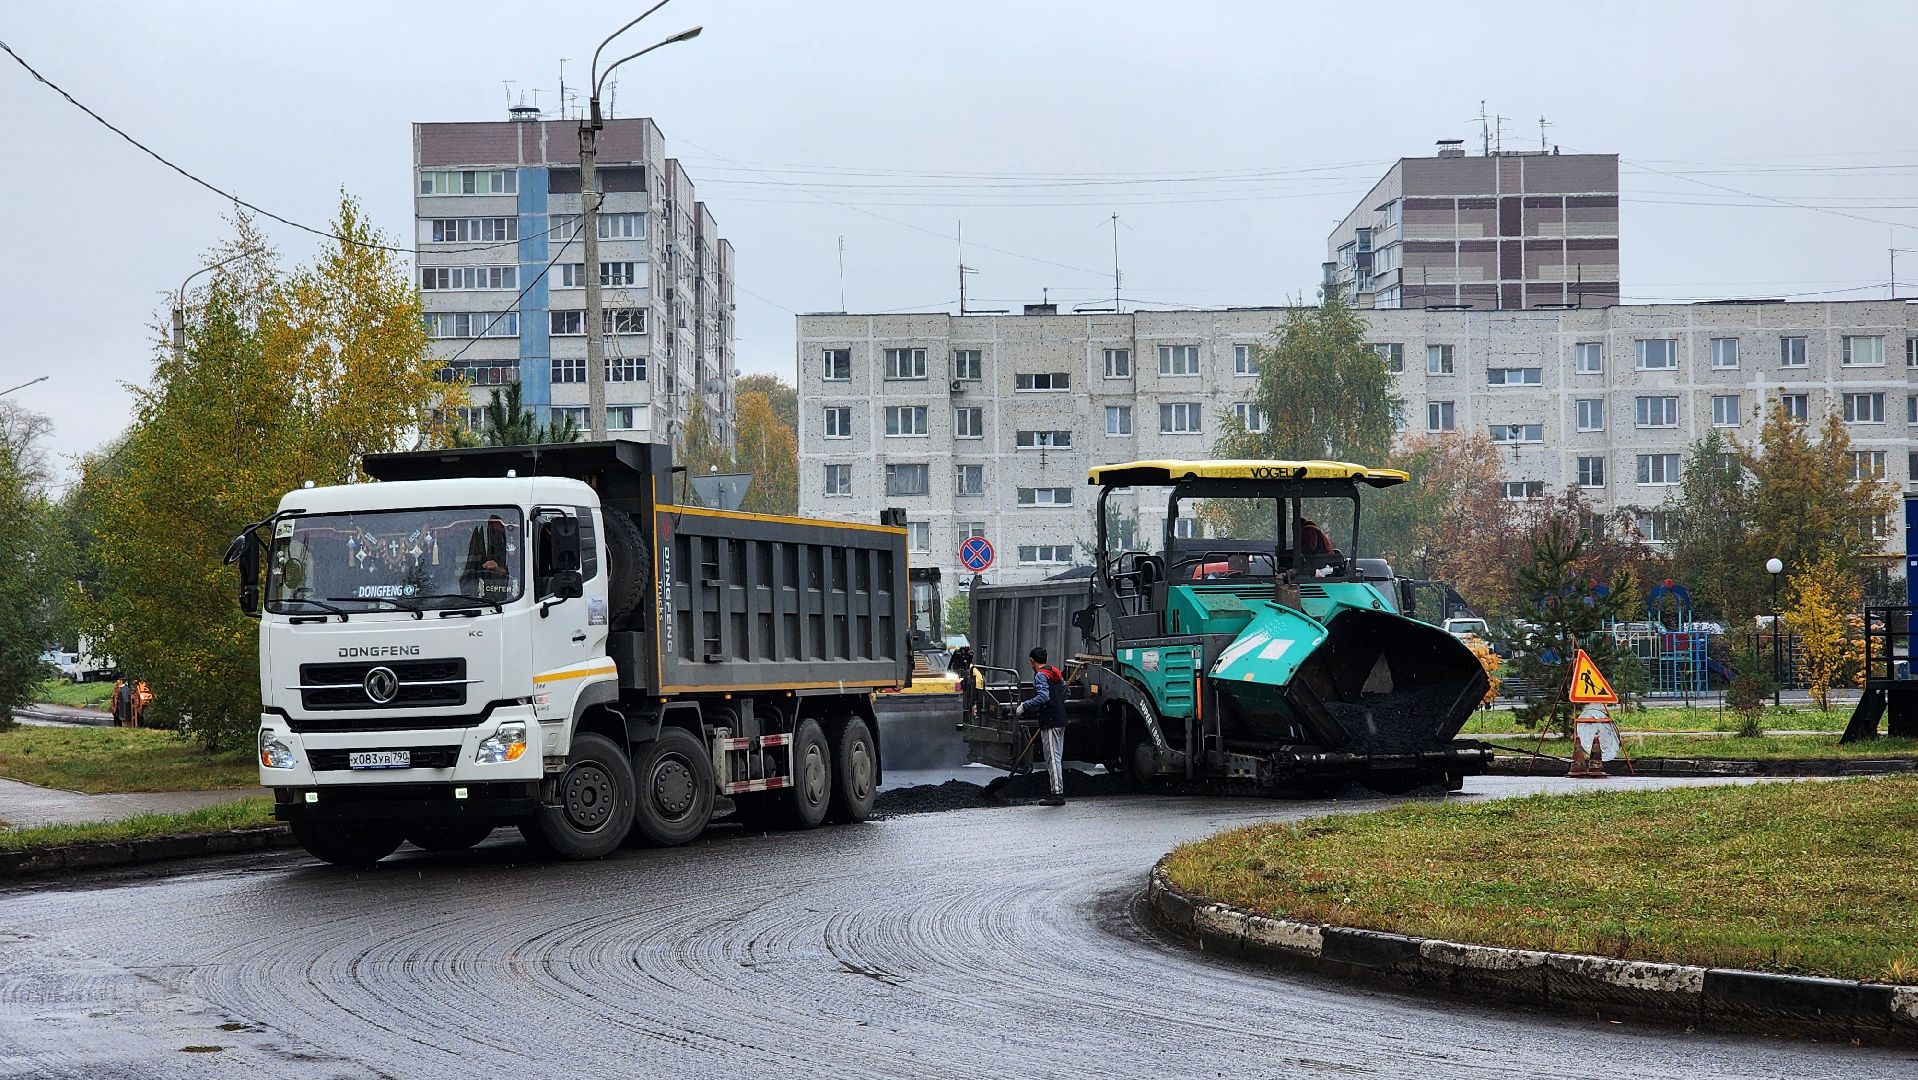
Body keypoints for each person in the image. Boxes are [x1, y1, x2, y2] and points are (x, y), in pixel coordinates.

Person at [1017, 646, 1069, 806]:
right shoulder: (1055, 672)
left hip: (1050, 721)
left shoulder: (1040, 675)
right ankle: (1055, 790)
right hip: (1060, 719)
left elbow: (1043, 697)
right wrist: (1057, 703)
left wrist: (1024, 706)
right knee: (1056, 757)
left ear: (1032, 661)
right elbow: (1067, 693)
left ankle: (1057, 794)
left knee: (1052, 758)